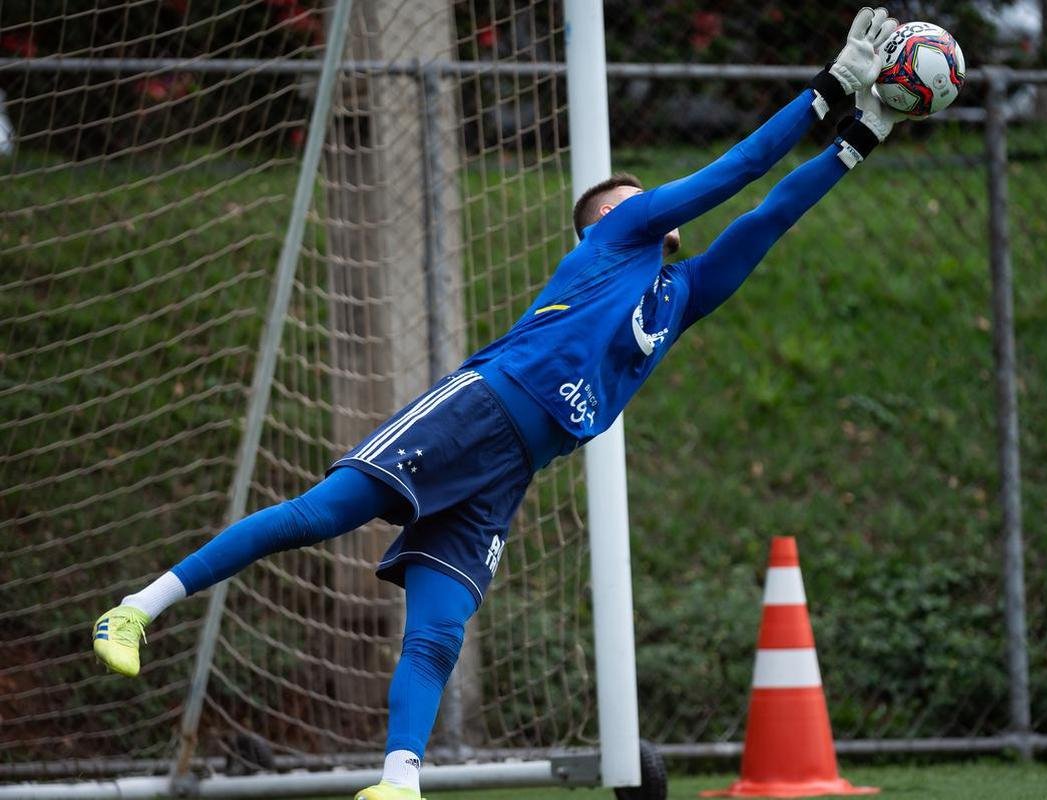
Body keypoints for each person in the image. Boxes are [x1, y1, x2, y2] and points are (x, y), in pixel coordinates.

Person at [92, 9, 904, 799]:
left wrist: (859, 138)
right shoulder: (616, 236)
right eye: (635, 194)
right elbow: (736, 171)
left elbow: (768, 216)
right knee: (320, 515)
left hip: (512, 468)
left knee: (439, 629)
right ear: (607, 217)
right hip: (479, 409)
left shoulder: (680, 294)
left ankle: (397, 784)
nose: (654, 199)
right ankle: (135, 610)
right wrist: (826, 88)